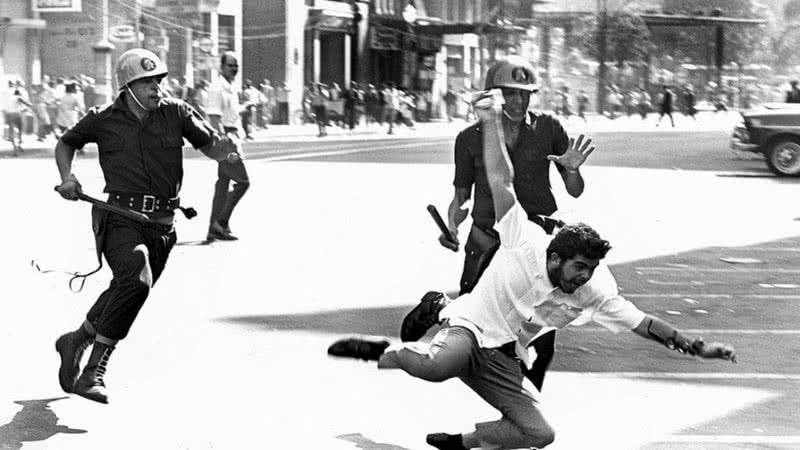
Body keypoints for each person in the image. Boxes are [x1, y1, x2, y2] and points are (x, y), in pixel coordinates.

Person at [327, 87, 737, 450]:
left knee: (540, 434)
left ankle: (466, 442)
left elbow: (643, 323)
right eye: (579, 267)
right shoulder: (525, 241)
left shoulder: (593, 288)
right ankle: (385, 350)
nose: (585, 278)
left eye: (591, 269)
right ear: (555, 258)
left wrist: (697, 346)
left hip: (505, 354)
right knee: (437, 366)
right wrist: (489, 120)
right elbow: (501, 180)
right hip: (471, 331)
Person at [53, 48, 239, 404]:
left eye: (159, 81)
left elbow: (211, 147)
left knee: (126, 288)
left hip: (163, 227)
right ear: (128, 86)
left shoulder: (176, 111)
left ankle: (75, 340)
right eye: (148, 82)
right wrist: (67, 177)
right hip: (120, 217)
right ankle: (93, 371)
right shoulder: (103, 118)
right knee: (137, 280)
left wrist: (225, 150)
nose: (157, 88)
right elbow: (66, 143)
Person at [400, 57, 588, 392]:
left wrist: (572, 171)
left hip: (539, 243)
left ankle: (525, 407)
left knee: (541, 333)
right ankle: (437, 305)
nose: (519, 102)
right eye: (510, 94)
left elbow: (574, 190)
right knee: (472, 322)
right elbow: (460, 197)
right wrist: (453, 226)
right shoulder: (470, 138)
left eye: (526, 94)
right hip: (489, 239)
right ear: (493, 95)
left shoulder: (549, 129)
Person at [206, 51, 251, 241]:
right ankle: (220, 222)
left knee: (223, 184)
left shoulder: (231, 87)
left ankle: (214, 227)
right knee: (243, 182)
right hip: (226, 140)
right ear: (221, 67)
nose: (234, 69)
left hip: (233, 136)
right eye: (230, 65)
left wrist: (245, 106)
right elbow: (214, 118)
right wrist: (225, 144)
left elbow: (229, 113)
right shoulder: (217, 88)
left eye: (236, 65)